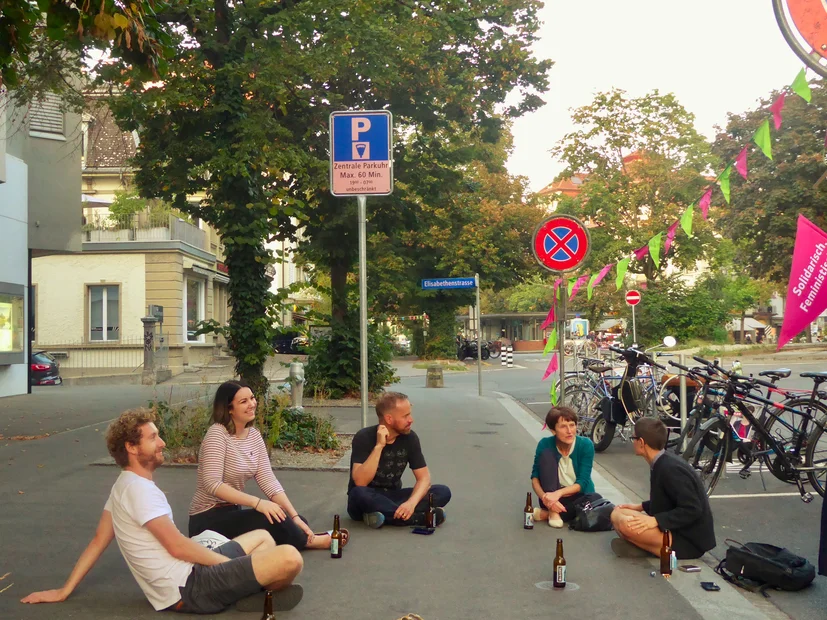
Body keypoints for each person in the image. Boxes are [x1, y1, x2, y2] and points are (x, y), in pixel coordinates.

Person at [21, 408, 303, 614]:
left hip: (189, 574)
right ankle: (247, 592)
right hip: (188, 588)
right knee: (290, 557)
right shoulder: (139, 491)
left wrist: (65, 589)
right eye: (153, 438)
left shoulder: (124, 485)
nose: (162, 443)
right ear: (131, 447)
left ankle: (244, 591)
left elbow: (98, 541)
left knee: (264, 538)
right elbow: (178, 547)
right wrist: (225, 566)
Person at [188, 381, 347, 552]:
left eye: (252, 398)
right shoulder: (217, 434)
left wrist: (293, 516)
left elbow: (268, 481)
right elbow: (212, 484)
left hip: (232, 512)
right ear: (229, 409)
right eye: (244, 402)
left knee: (289, 518)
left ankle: (297, 535)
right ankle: (311, 541)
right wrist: (258, 503)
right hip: (208, 518)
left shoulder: (254, 436)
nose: (252, 404)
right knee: (269, 517)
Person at [611, 418, 716, 559]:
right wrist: (640, 507)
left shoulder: (670, 468)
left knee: (625, 525)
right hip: (674, 529)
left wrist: (656, 521)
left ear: (641, 442)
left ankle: (652, 549)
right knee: (617, 513)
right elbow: (669, 500)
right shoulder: (661, 461)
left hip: (689, 541)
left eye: (633, 438)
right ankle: (649, 547)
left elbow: (693, 509)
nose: (633, 442)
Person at [347, 391, 451, 528]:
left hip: (394, 495)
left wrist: (411, 503)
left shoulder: (410, 438)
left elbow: (424, 478)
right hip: (367, 497)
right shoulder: (364, 437)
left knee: (442, 491)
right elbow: (360, 482)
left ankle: (386, 516)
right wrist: (379, 446)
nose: (411, 420)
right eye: (405, 416)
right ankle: (418, 518)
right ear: (389, 419)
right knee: (358, 493)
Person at [530, 406, 595, 527]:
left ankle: (547, 514)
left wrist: (558, 494)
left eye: (572, 425)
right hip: (550, 494)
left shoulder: (586, 445)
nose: (569, 431)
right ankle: (553, 510)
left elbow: (582, 482)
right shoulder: (545, 444)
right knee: (547, 455)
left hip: (579, 496)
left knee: (594, 499)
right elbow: (535, 478)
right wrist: (546, 498)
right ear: (553, 430)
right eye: (563, 426)